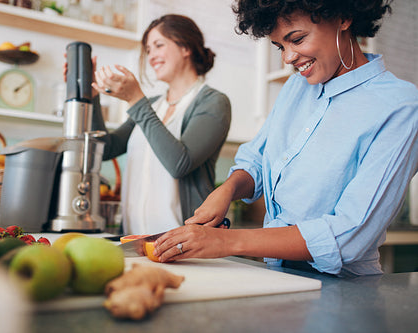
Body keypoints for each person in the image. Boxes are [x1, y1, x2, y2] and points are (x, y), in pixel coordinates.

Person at [153, 0, 418, 277]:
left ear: (344, 18)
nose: (288, 58)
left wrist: (225, 241)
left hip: (345, 288)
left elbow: (349, 233)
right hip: (279, 274)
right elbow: (257, 159)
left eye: (297, 39)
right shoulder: (296, 87)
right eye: (280, 46)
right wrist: (227, 190)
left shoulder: (399, 106)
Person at [89, 15, 231, 235]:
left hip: (185, 246)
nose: (151, 55)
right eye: (148, 50)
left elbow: (179, 163)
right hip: (134, 241)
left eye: (158, 45)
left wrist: (136, 100)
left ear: (185, 47)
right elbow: (105, 149)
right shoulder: (153, 105)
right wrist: (92, 98)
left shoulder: (213, 102)